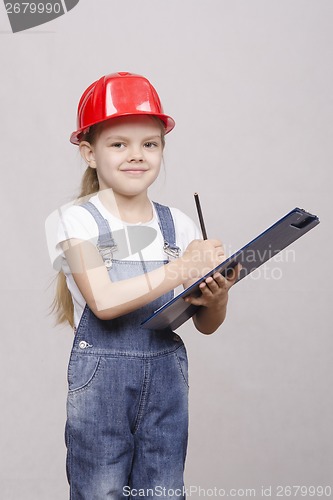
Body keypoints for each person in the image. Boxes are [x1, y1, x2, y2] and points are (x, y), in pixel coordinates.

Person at [50, 72, 240, 499]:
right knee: (101, 490)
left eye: (149, 144)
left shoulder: (179, 223)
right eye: (119, 144)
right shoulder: (78, 220)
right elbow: (103, 301)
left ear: (161, 149)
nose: (136, 155)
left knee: (163, 490)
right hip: (103, 378)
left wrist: (217, 296)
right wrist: (182, 267)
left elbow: (206, 325)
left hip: (166, 378)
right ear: (89, 153)